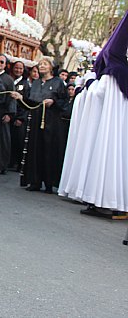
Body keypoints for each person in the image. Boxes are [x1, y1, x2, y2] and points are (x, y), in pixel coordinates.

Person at [59, 11, 128, 211]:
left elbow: (99, 93)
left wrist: (88, 83)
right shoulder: (114, 73)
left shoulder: (114, 74)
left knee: (109, 150)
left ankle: (106, 199)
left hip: (110, 123)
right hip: (107, 120)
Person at [11, 57, 67, 193]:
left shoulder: (58, 82)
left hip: (51, 121)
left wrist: (53, 102)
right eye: (40, 64)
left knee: (49, 150)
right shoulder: (35, 83)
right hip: (36, 119)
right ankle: (34, 181)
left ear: (51, 67)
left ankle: (49, 183)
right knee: (34, 149)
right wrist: (20, 98)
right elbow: (30, 103)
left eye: (45, 64)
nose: (42, 66)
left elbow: (64, 102)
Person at [0, 54, 16, 174]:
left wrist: (10, 114)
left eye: (1, 62)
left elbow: (12, 97)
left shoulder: (8, 79)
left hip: (3, 111)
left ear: (5, 65)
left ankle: (2, 165)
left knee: (3, 140)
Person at [9, 61, 30, 172]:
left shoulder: (25, 84)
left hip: (20, 116)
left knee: (19, 141)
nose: (18, 70)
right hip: (10, 114)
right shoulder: (10, 80)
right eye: (16, 68)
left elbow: (27, 103)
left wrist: (21, 118)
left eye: (20, 68)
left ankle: (19, 164)